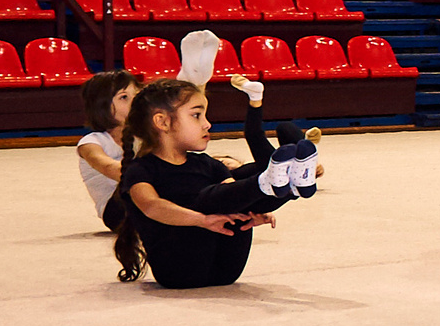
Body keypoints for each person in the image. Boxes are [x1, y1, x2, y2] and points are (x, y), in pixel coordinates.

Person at [112, 59, 320, 289]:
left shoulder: (205, 163)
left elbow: (231, 192)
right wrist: (202, 220)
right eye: (196, 116)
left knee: (234, 189)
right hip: (179, 270)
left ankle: (288, 186)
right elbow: (152, 206)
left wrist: (254, 212)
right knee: (208, 199)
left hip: (226, 268)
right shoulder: (141, 169)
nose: (207, 124)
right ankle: (268, 182)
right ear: (162, 122)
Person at [76, 68, 136, 230]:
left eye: (137, 96)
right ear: (102, 106)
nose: (134, 102)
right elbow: (110, 168)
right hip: (117, 212)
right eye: (124, 97)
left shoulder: (143, 136)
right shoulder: (91, 143)